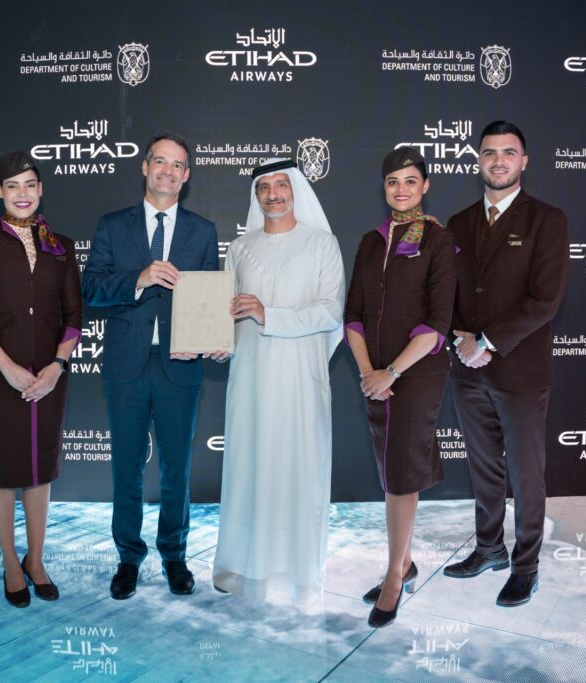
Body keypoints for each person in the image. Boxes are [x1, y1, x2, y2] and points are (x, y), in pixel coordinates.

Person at [82, 132, 220, 600]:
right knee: (126, 467)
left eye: (178, 164)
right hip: (127, 365)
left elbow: (206, 299)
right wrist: (136, 280)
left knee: (177, 467)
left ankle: (174, 555)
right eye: (159, 161)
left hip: (180, 368)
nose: (167, 171)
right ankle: (128, 558)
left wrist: (201, 341)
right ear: (145, 167)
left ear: (186, 175)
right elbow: (91, 289)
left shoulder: (202, 231)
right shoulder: (112, 225)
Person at [443, 121, 569, 607]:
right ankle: (490, 549)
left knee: (524, 474)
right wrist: (460, 341)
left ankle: (526, 565)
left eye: (509, 152)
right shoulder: (458, 222)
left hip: (519, 371)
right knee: (483, 469)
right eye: (490, 152)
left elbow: (545, 300)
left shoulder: (547, 220)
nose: (498, 160)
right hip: (467, 370)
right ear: (478, 160)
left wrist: (488, 342)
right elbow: (449, 291)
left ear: (524, 161)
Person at [212, 159, 345, 605]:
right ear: (255, 195)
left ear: (296, 190)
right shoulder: (240, 248)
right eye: (263, 187)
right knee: (250, 470)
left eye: (281, 185)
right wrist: (217, 339)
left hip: (301, 383)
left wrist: (270, 315)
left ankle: (297, 576)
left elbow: (331, 312)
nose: (272, 194)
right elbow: (226, 314)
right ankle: (243, 569)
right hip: (250, 379)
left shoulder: (322, 244)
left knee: (297, 472)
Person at [0, 151, 82, 607]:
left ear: (41, 189)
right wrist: (7, 367)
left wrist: (57, 366)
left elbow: (73, 315)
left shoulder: (61, 245)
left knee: (39, 470)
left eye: (30, 184)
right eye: (13, 186)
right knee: (1, 470)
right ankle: (11, 562)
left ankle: (37, 560)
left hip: (48, 378)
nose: (22, 194)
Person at [344, 148, 456, 627]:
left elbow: (437, 324)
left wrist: (390, 373)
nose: (402, 189)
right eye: (393, 181)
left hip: (417, 374)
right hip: (375, 378)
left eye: (411, 180)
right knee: (392, 471)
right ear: (384, 187)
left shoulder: (438, 240)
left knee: (401, 475)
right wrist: (370, 371)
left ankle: (395, 576)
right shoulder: (371, 242)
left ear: (425, 185)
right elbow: (352, 314)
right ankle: (404, 562)